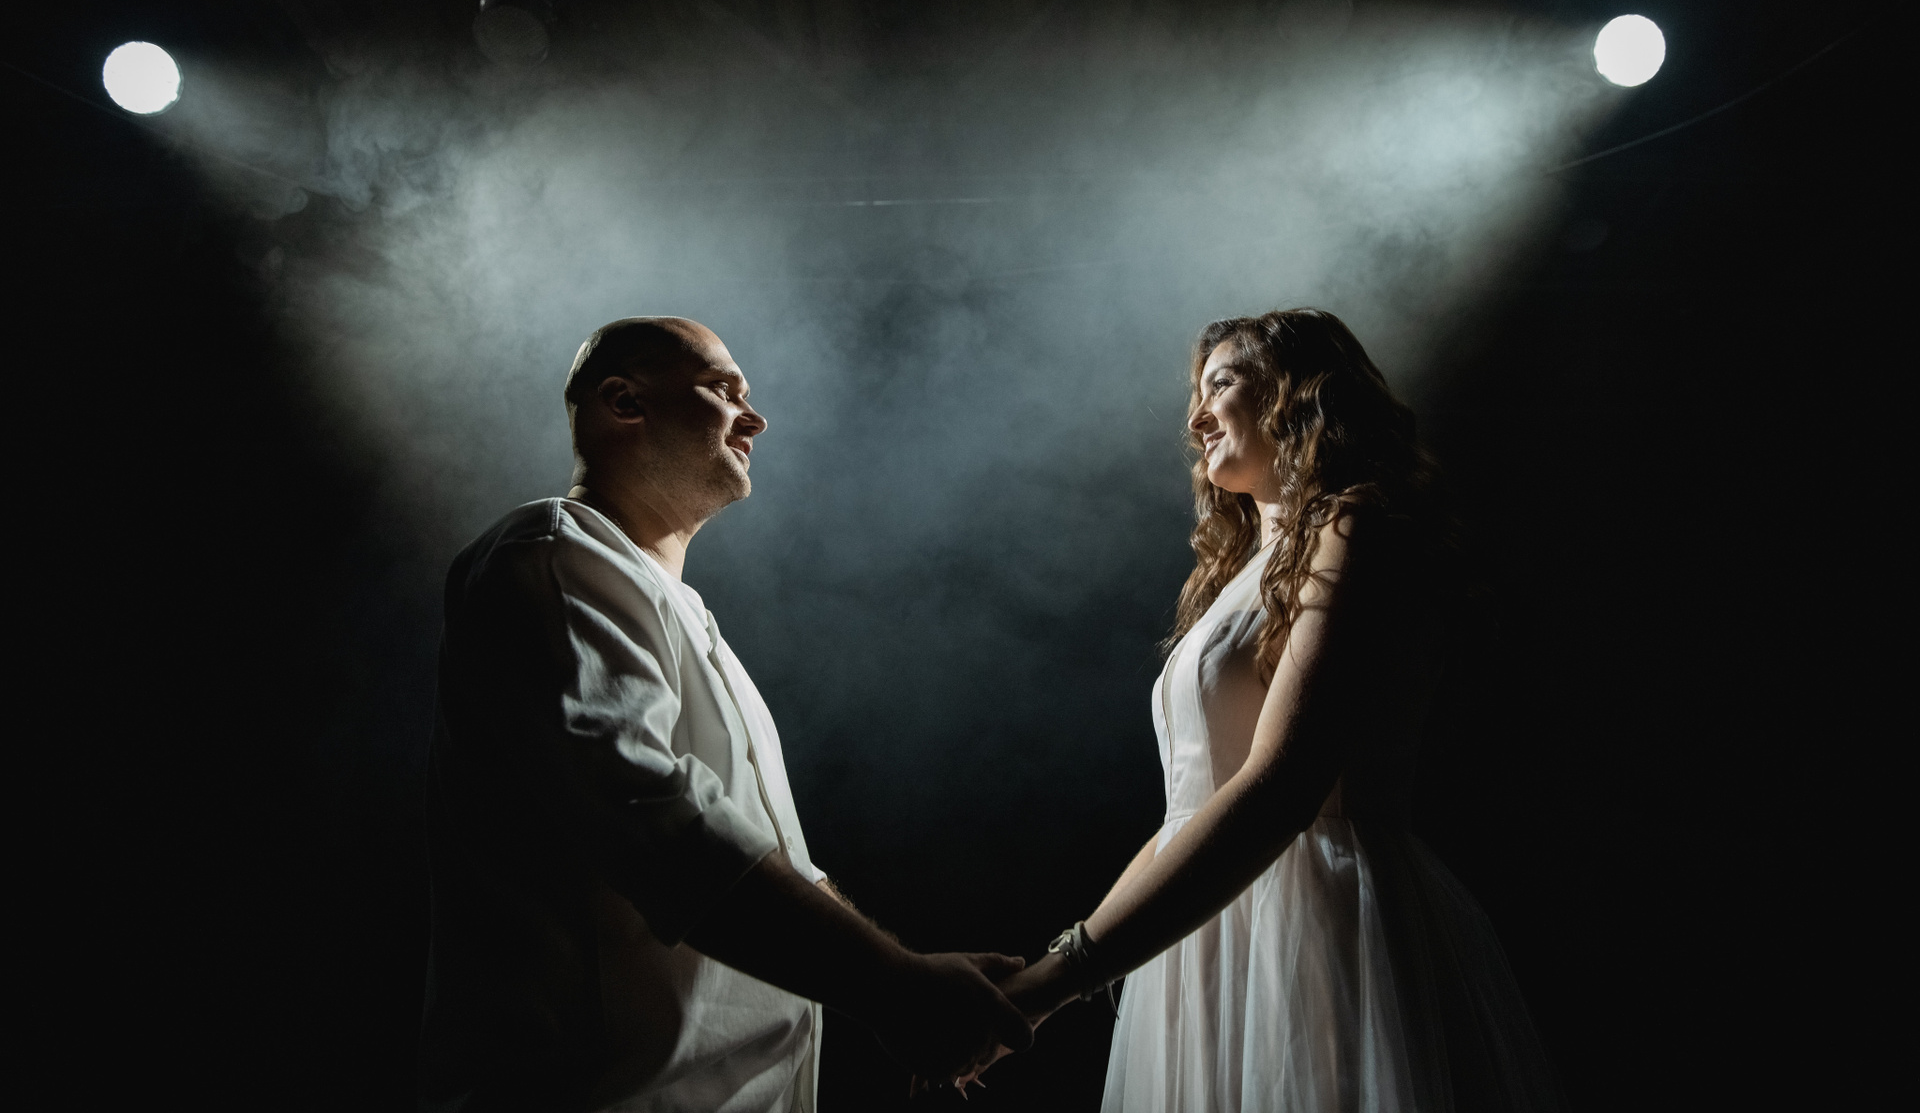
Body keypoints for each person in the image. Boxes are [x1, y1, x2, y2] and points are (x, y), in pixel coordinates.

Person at [418, 316, 1031, 1113]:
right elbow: (657, 819)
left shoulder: (681, 611)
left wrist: (905, 978)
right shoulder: (556, 552)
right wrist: (896, 986)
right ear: (624, 402)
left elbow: (775, 862)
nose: (757, 418)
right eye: (724, 390)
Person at [990, 309, 1564, 1112]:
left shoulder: (1354, 524)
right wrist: (1049, 976)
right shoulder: (1243, 572)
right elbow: (1186, 812)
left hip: (1314, 929)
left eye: (1220, 384)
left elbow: (1285, 785)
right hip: (1208, 928)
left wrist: (1062, 978)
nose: (1195, 418)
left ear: (1297, 395)